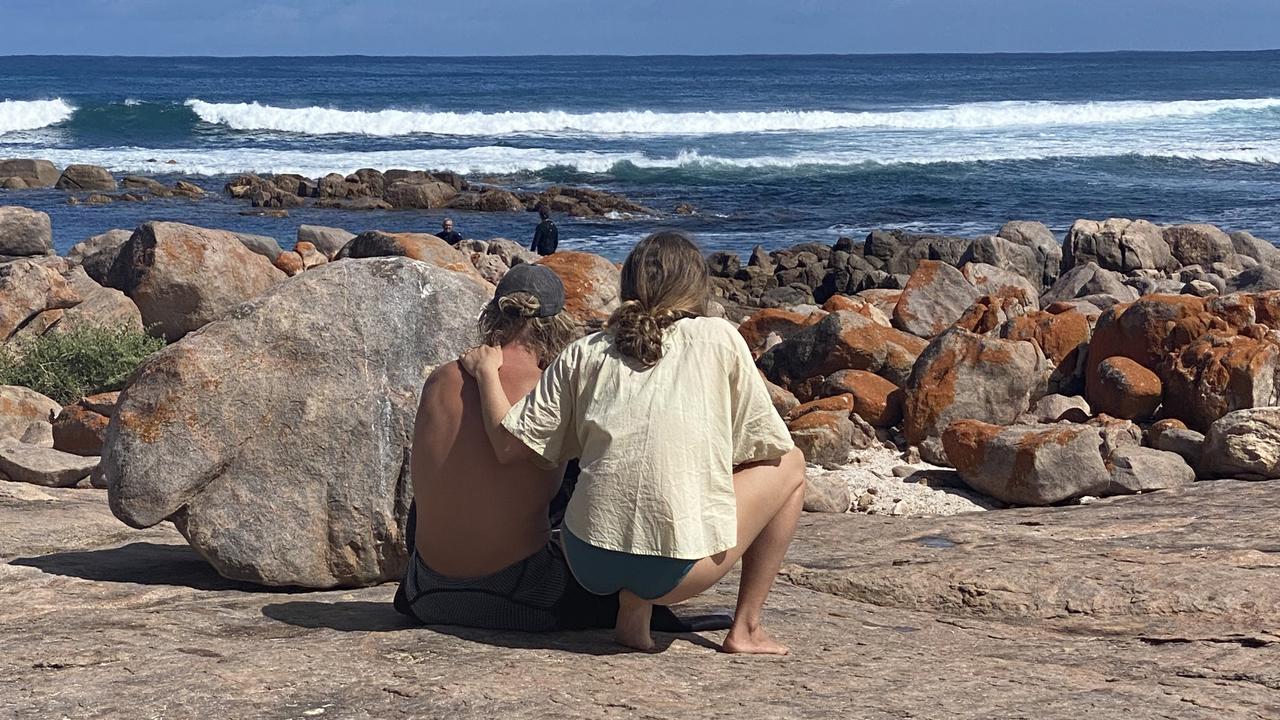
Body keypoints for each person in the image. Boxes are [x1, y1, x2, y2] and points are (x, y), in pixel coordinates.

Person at [462, 231, 806, 654]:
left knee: (634, 481)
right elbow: (764, 445)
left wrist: (485, 375)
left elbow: (509, 446)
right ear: (694, 288)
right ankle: (746, 628)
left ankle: (633, 609)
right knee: (792, 463)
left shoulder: (585, 351)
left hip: (587, 558)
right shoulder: (718, 337)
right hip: (675, 572)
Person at [395, 263, 721, 634]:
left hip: (425, 593)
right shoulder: (553, 387)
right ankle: (655, 617)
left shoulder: (439, 379)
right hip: (517, 597)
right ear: (558, 324)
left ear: (494, 315)